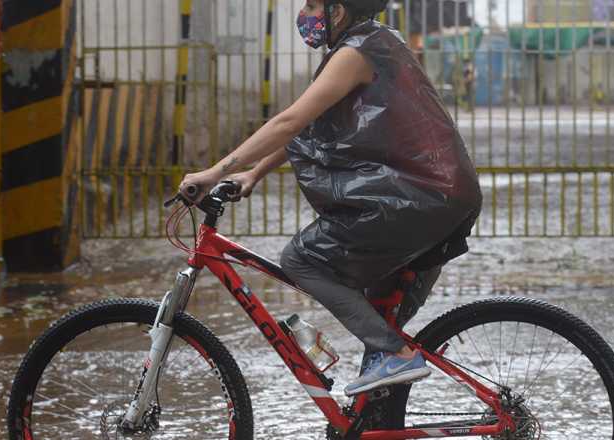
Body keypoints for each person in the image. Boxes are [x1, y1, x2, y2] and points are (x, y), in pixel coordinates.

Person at [178, 0, 481, 396]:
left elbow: (290, 121)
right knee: (376, 316)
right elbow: (313, 127)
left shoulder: (355, 54)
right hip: (439, 196)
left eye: (312, 4)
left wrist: (212, 172)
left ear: (337, 11)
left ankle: (395, 354)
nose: (306, 13)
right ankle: (379, 395)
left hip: (415, 200)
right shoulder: (378, 41)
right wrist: (253, 173)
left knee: (303, 260)